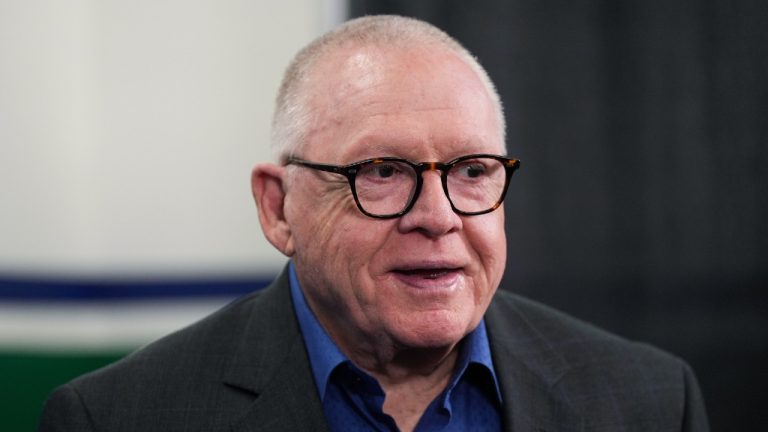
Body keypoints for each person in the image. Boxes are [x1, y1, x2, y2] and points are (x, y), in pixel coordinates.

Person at [38, 15, 708, 432]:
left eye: (472, 171)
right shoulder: (117, 417)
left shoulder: (647, 400)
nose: (438, 217)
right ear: (279, 209)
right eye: (382, 172)